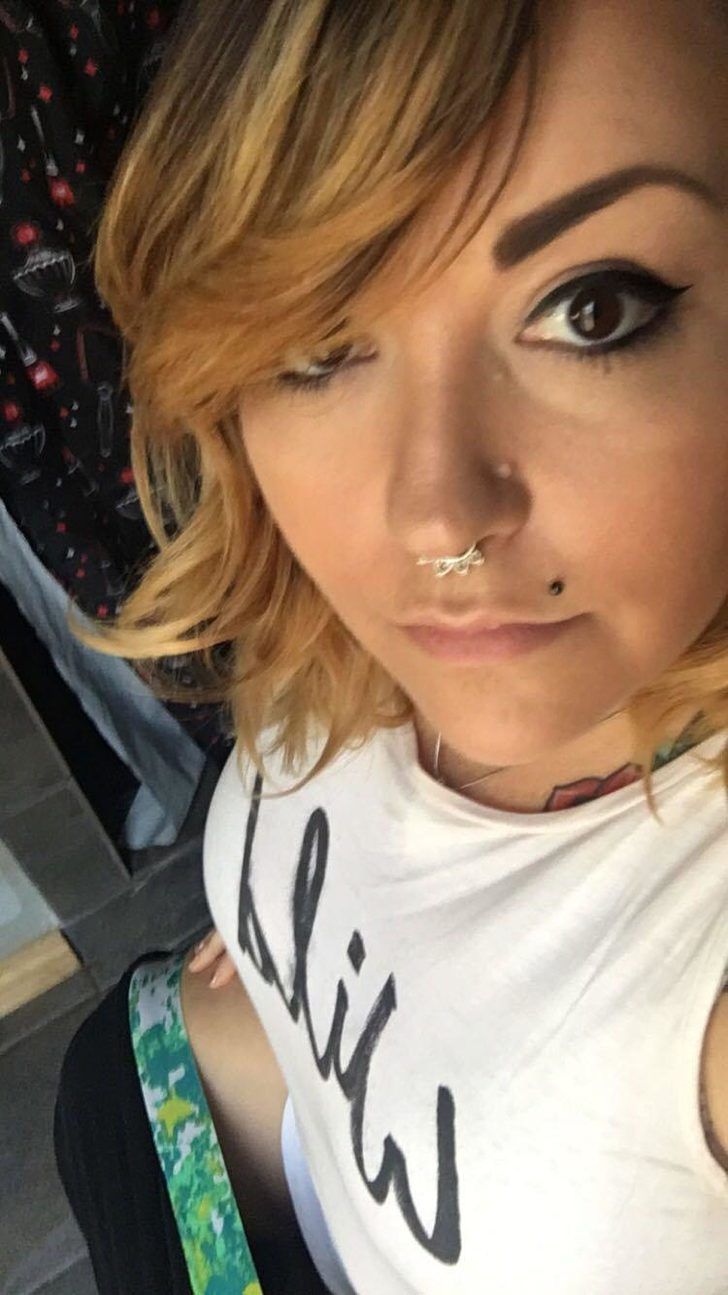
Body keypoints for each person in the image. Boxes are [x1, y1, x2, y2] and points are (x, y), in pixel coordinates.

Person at [53, 0, 728, 1291]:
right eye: (319, 343)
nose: (436, 520)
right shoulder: (340, 628)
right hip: (232, 1123)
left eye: (592, 310)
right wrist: (302, 940)